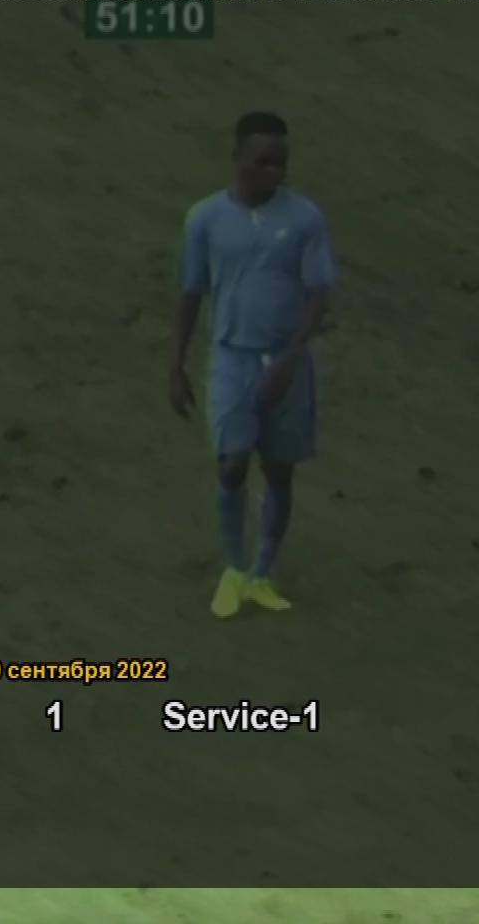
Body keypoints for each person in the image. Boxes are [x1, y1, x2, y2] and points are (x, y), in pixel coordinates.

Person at [168, 112, 338, 619]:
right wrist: (176, 364)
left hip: (286, 359)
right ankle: (234, 567)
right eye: (264, 161)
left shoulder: (304, 219)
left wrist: (290, 359)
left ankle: (262, 573)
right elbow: (191, 292)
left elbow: (319, 294)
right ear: (237, 157)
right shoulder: (204, 219)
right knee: (232, 463)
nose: (274, 172)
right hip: (231, 357)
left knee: (280, 470)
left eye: (281, 163)